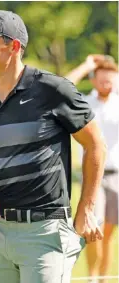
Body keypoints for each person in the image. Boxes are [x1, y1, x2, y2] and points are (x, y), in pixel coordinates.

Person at [0, 10, 107, 283]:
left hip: (47, 233)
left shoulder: (53, 90)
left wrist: (86, 207)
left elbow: (95, 144)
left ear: (13, 46)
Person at [66, 56, 119, 283]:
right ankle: (92, 277)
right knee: (93, 230)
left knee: (108, 233)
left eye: (111, 78)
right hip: (93, 176)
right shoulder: (85, 103)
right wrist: (87, 65)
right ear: (93, 80)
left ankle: (104, 279)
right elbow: (65, 85)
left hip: (117, 175)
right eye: (102, 78)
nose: (106, 82)